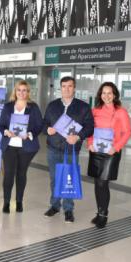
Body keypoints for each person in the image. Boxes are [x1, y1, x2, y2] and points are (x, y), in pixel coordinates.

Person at [43, 76, 94, 223]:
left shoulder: (83, 107)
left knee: (68, 179)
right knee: (54, 179)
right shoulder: (52, 105)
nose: (66, 89)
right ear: (60, 88)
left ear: (74, 88)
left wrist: (78, 137)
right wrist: (47, 129)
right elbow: (44, 123)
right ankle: (54, 205)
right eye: (64, 86)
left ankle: (68, 209)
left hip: (71, 150)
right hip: (53, 148)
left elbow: (90, 127)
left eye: (70, 86)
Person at [87, 82, 131, 228]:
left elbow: (127, 132)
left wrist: (116, 147)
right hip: (96, 150)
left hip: (111, 152)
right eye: (103, 93)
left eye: (109, 93)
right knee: (97, 182)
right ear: (100, 95)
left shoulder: (120, 111)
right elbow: (90, 130)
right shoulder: (95, 110)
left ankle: (104, 214)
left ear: (114, 95)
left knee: (103, 182)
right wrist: (90, 143)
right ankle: (99, 212)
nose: (106, 96)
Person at [0, 80, 43, 213]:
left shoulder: (33, 107)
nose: (21, 93)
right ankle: (6, 202)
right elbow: (1, 125)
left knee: (21, 174)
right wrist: (6, 132)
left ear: (28, 92)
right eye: (19, 90)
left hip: (26, 147)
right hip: (10, 146)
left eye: (24, 90)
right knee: (8, 175)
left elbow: (39, 125)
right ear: (15, 91)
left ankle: (19, 201)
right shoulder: (8, 106)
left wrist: (29, 134)